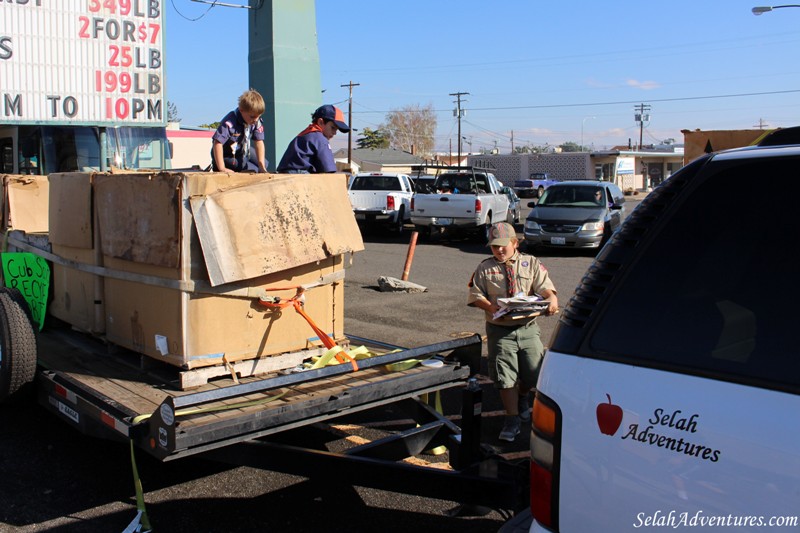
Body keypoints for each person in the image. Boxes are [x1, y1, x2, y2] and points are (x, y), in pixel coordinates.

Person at [467, 222, 559, 442]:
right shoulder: (484, 267)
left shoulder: (531, 263)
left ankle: (523, 396)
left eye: (503, 246)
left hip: (527, 328)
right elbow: (475, 294)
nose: (498, 250)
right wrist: (490, 307)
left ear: (515, 243)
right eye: (494, 246)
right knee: (504, 375)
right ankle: (512, 419)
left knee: (532, 373)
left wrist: (551, 298)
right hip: (500, 330)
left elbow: (544, 287)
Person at [277, 104, 350, 173]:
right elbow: (328, 170)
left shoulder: (304, 135)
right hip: (300, 176)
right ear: (320, 122)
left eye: (336, 130)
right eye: (333, 128)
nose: (335, 133)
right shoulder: (320, 139)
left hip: (285, 174)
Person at [211, 89, 268, 173]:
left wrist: (261, 166)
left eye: (258, 116)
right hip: (228, 155)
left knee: (264, 163)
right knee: (248, 168)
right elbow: (217, 143)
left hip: (242, 150)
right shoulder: (230, 122)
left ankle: (256, 166)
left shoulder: (256, 121)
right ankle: (243, 169)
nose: (255, 120)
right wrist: (222, 168)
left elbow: (259, 141)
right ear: (241, 110)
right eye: (252, 116)